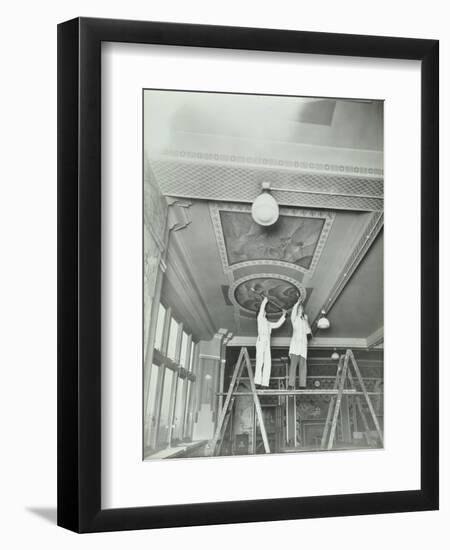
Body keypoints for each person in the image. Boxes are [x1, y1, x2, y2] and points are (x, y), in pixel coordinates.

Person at [254, 296, 286, 387]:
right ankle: (257, 381)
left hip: (267, 343)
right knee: (260, 361)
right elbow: (261, 310)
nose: (265, 311)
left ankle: (264, 382)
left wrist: (284, 315)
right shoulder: (260, 319)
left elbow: (277, 324)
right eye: (264, 311)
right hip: (261, 341)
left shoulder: (268, 323)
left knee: (268, 362)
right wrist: (265, 300)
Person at [288, 298, 311, 388]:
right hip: (295, 346)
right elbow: (293, 311)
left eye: (301, 309)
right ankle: (290, 384)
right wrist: (297, 303)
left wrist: (306, 321)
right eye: (299, 309)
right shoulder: (294, 319)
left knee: (303, 366)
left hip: (303, 347)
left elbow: (308, 331)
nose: (300, 310)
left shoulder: (304, 320)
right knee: (293, 366)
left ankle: (302, 384)